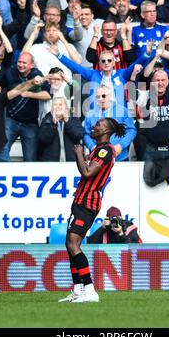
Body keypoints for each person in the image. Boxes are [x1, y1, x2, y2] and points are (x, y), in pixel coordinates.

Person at [59, 118, 126, 303]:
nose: (94, 127)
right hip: (81, 200)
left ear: (106, 131)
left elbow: (87, 172)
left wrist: (79, 153)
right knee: (69, 244)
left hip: (87, 203)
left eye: (98, 125)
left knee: (74, 244)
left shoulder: (105, 150)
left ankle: (90, 290)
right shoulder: (99, 149)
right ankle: (78, 290)